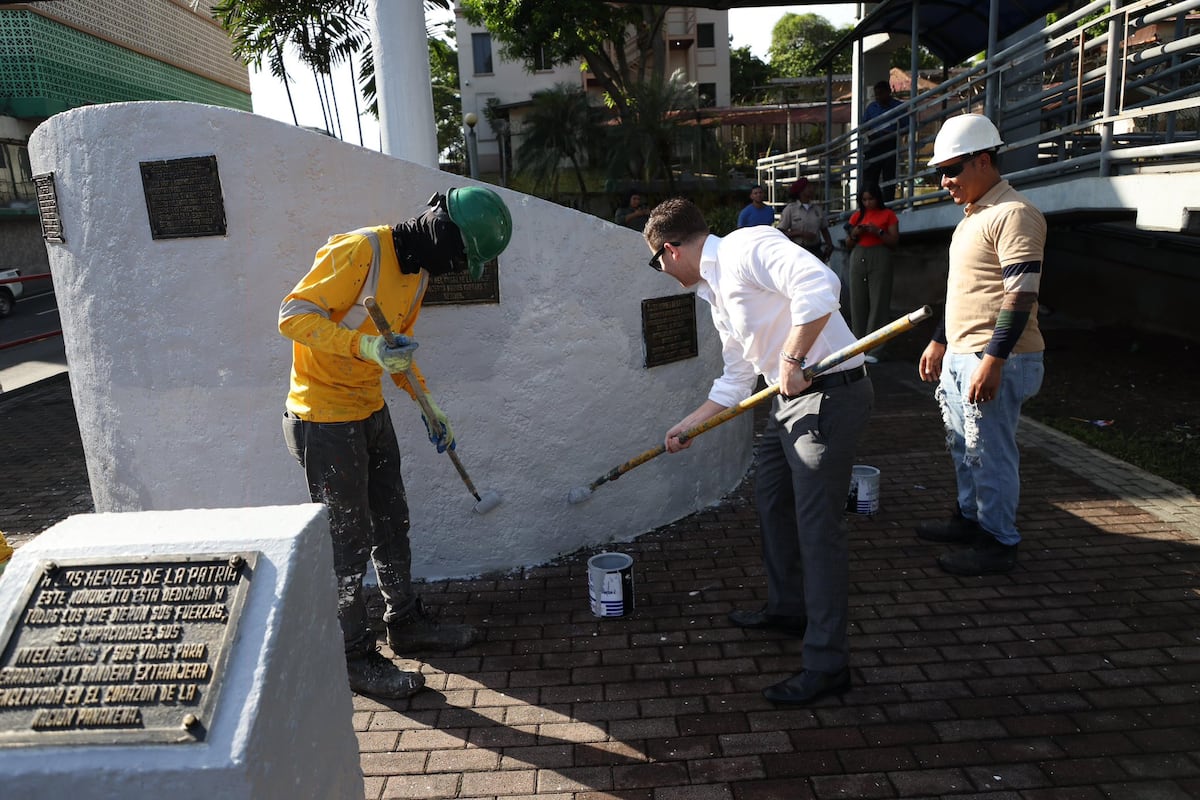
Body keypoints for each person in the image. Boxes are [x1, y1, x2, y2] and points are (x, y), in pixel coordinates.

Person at [279, 187, 513, 699]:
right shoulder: (361, 251)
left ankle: (405, 622)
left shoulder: (420, 274)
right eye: (458, 255)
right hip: (323, 418)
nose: (453, 268)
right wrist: (362, 345)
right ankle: (352, 656)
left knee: (391, 521)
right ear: (439, 230)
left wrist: (428, 403)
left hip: (369, 410)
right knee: (347, 542)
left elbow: (399, 352)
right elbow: (293, 315)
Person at [644, 198, 873, 706]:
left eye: (656, 260)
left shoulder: (748, 247)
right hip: (788, 401)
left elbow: (821, 287)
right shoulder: (715, 291)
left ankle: (827, 664)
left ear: (670, 250)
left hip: (829, 395)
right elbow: (737, 377)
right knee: (772, 498)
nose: (660, 270)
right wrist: (689, 424)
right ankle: (789, 608)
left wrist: (792, 358)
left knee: (818, 530)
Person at [917, 114, 1046, 576]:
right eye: (940, 172)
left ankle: (997, 541)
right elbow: (964, 291)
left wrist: (993, 361)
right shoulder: (973, 217)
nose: (945, 181)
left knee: (990, 452)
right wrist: (939, 341)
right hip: (962, 354)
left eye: (952, 169)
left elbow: (1020, 294)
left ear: (984, 160)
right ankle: (971, 519)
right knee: (964, 447)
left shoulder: (1015, 214)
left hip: (996, 358)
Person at [844, 184, 900, 363]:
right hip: (859, 254)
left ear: (878, 198)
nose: (867, 203)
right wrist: (855, 233)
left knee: (879, 301)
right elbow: (848, 244)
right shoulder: (856, 216)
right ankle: (858, 345)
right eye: (864, 200)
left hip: (880, 254)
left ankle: (875, 349)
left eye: (871, 199)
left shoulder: (888, 215)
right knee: (858, 301)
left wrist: (878, 231)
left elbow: (894, 241)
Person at [862, 80, 903, 203]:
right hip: (874, 143)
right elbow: (864, 126)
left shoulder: (898, 106)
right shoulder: (871, 107)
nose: (879, 97)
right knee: (870, 176)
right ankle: (870, 203)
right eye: (877, 94)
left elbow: (907, 124)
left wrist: (893, 132)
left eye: (881, 93)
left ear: (889, 92)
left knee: (889, 176)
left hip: (890, 142)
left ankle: (888, 204)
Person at [778, 178, 833, 261]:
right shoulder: (790, 209)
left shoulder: (817, 209)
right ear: (801, 190)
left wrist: (829, 245)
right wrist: (800, 233)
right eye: (808, 187)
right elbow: (780, 232)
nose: (811, 189)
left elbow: (824, 229)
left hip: (816, 250)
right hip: (798, 251)